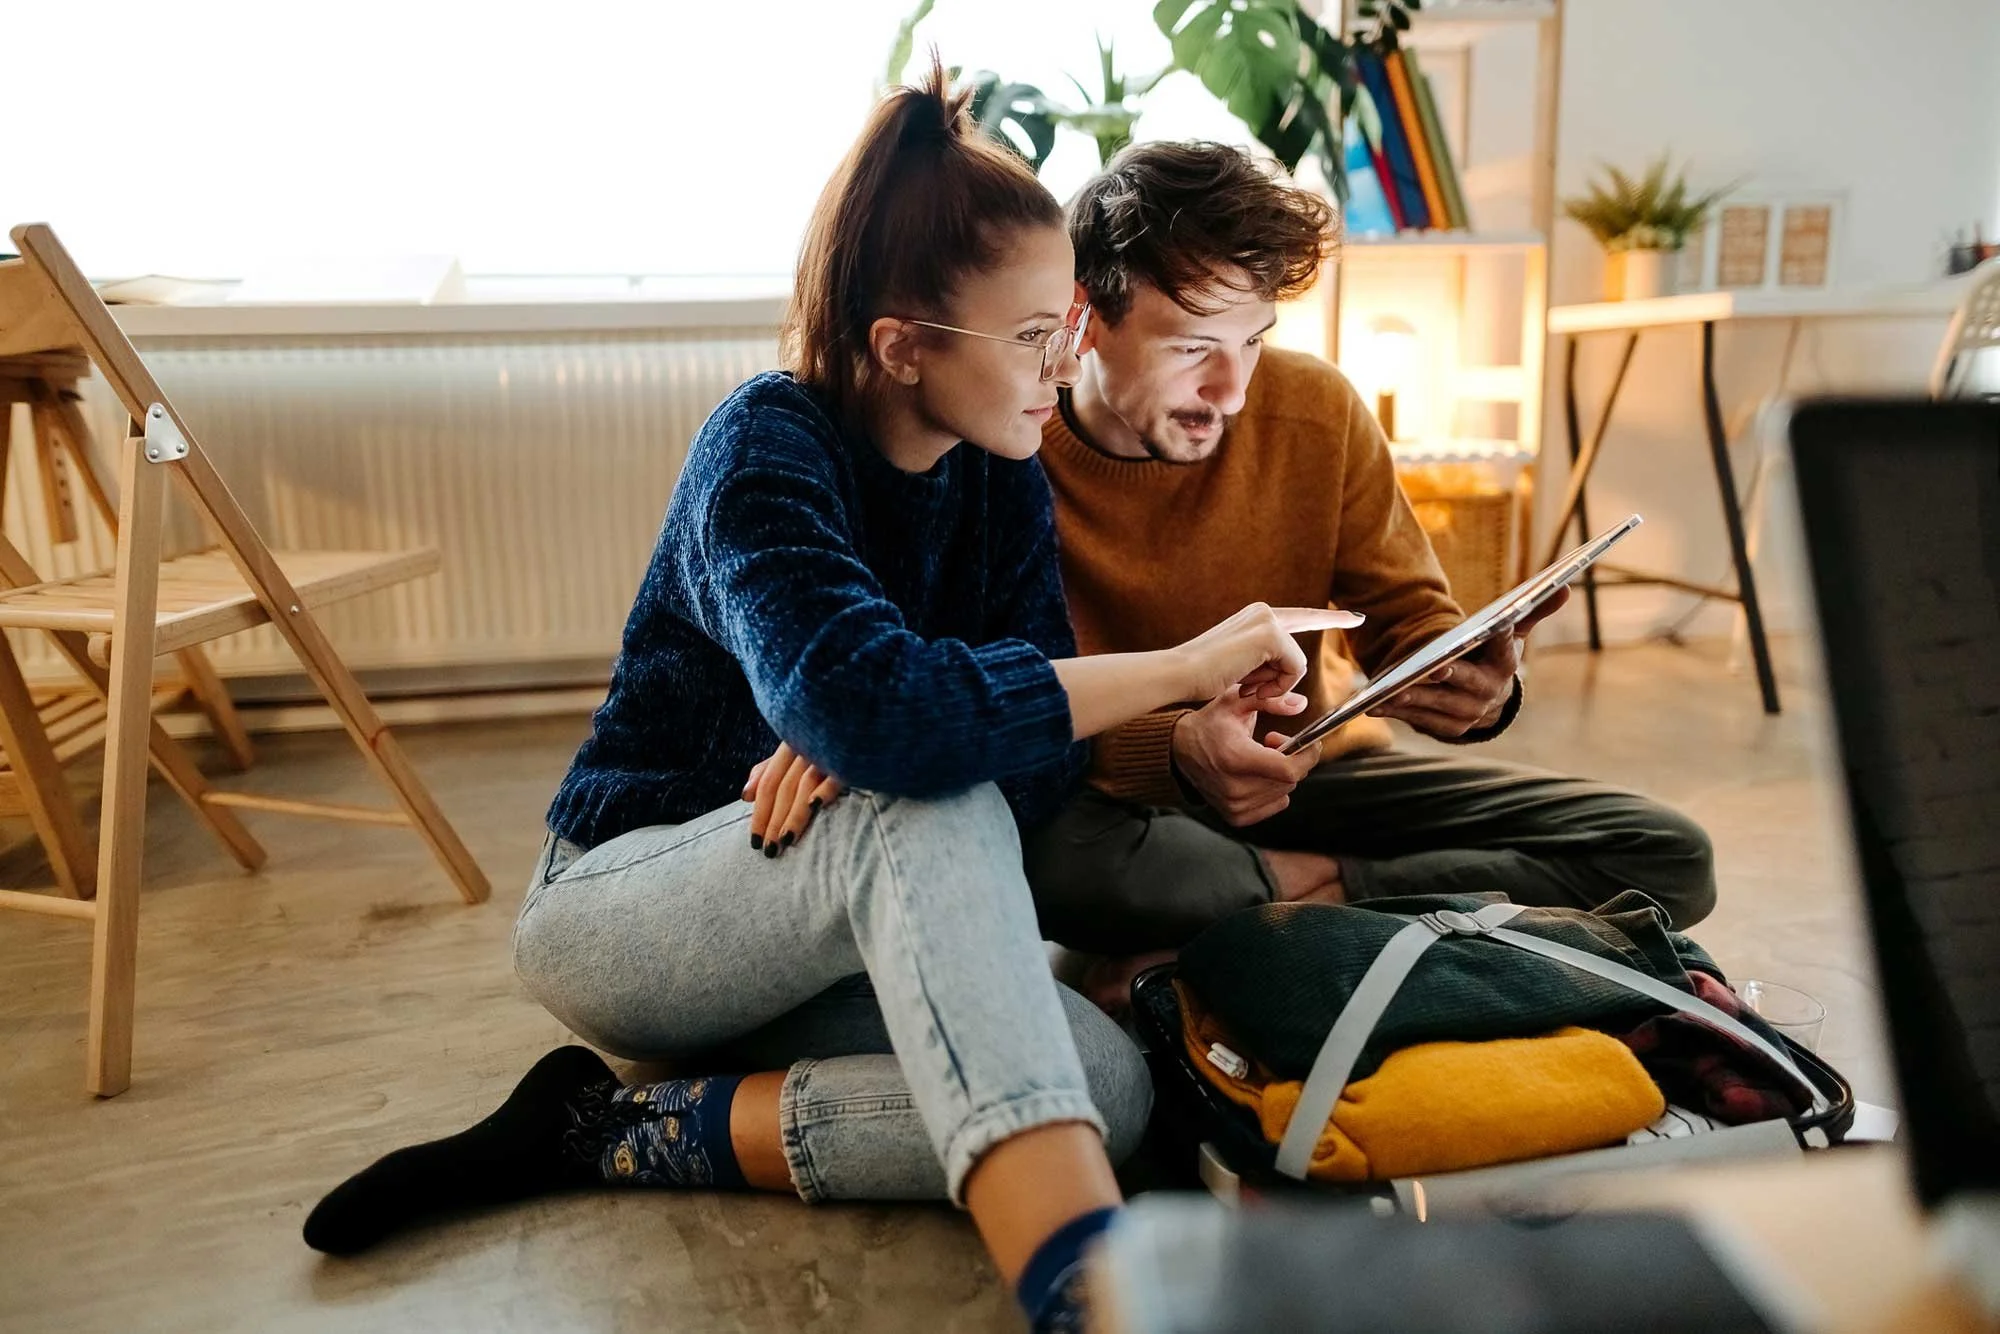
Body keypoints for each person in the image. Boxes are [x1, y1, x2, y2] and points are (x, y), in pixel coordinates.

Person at [301, 72, 1351, 1333]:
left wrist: (894, 731)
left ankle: (613, 1128)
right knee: (921, 793)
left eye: (1062, 327)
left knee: (1107, 1089)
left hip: (824, 917)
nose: (1057, 365)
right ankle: (1091, 1291)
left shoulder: (999, 476)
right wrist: (1172, 671)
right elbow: (890, 721)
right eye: (1028, 337)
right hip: (626, 904)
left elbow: (1023, 779)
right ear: (901, 345)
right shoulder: (763, 446)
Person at [1023, 141, 1718, 999]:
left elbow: (1407, 617)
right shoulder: (1012, 447)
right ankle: (1320, 919)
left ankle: (1299, 902)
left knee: (1667, 855)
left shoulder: (1314, 408)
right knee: (1044, 855)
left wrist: (1470, 679)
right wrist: (1171, 748)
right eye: (1193, 347)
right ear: (1085, 319)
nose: (1232, 389)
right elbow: (1011, 704)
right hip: (1115, 798)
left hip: (1311, 774)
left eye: (1254, 341)